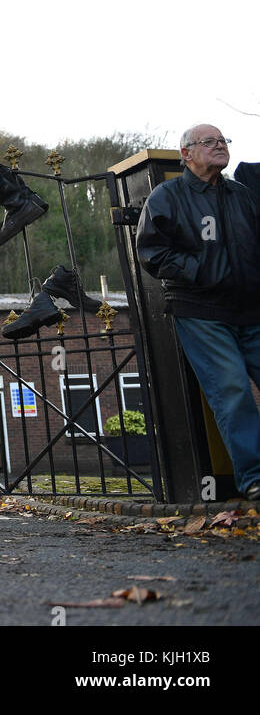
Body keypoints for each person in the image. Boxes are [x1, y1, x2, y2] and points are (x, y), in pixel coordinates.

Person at [135, 124, 260, 500]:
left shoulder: (244, 195)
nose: (219, 145)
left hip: (252, 308)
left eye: (223, 140)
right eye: (209, 141)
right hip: (202, 309)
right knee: (233, 388)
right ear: (186, 153)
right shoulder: (167, 197)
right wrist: (201, 272)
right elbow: (152, 251)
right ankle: (255, 476)